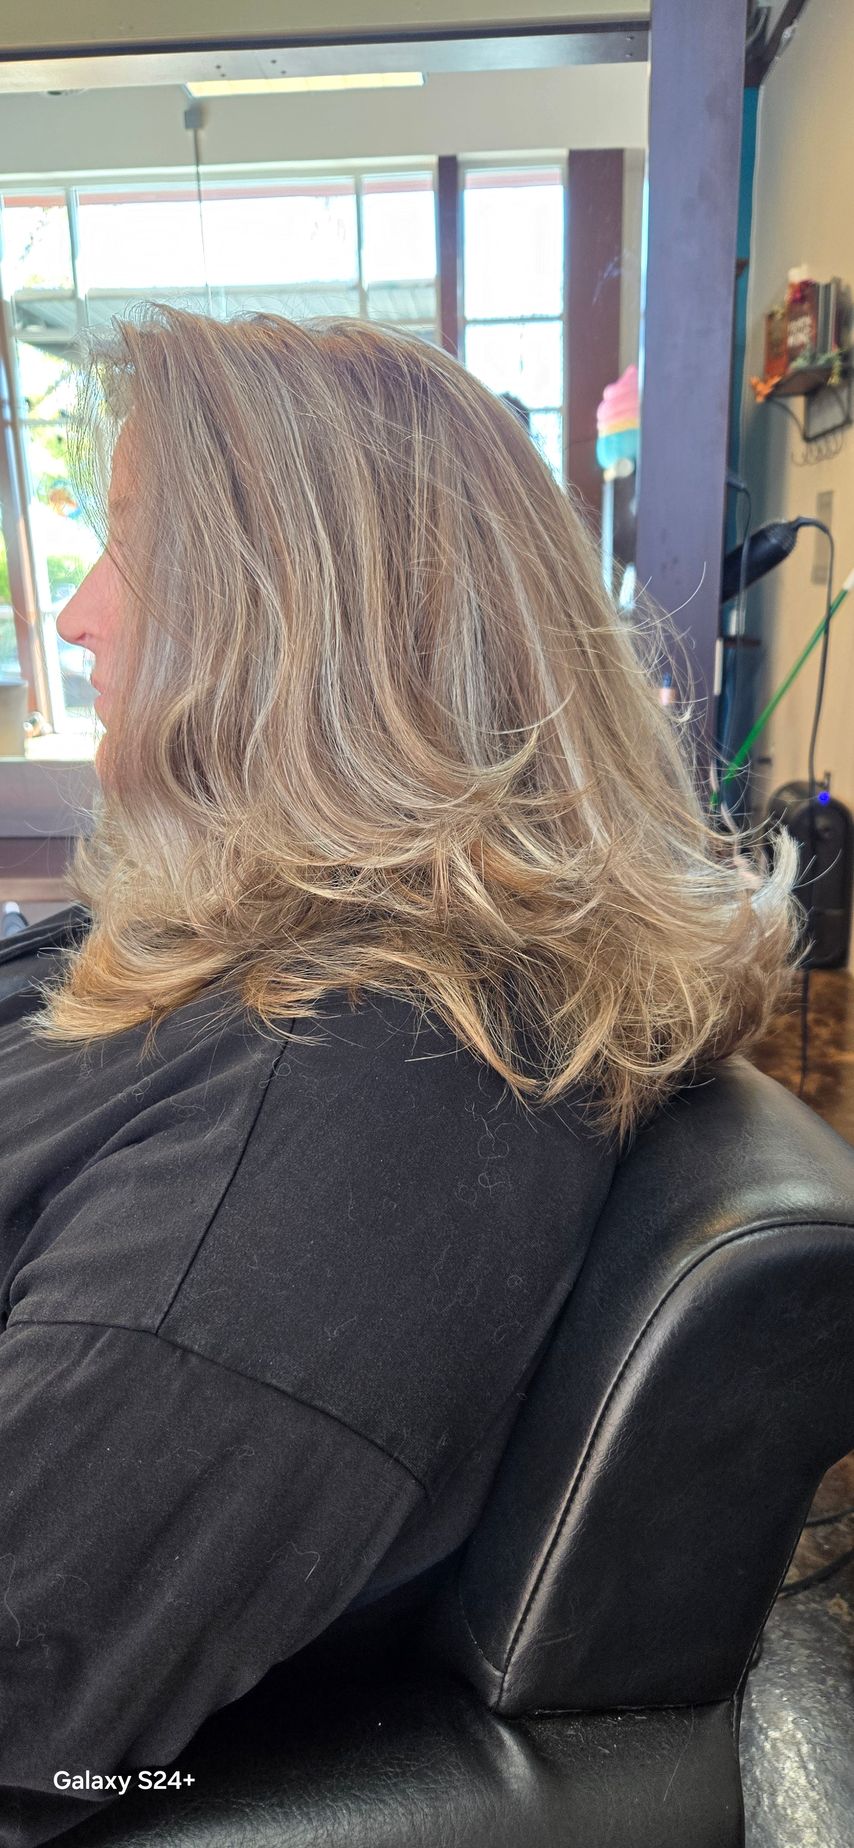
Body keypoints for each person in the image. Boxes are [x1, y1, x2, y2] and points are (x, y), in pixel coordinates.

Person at [0, 306, 800, 1844]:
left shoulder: (329, 1122)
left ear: (309, 630)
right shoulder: (283, 951)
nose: (81, 614)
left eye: (132, 552)